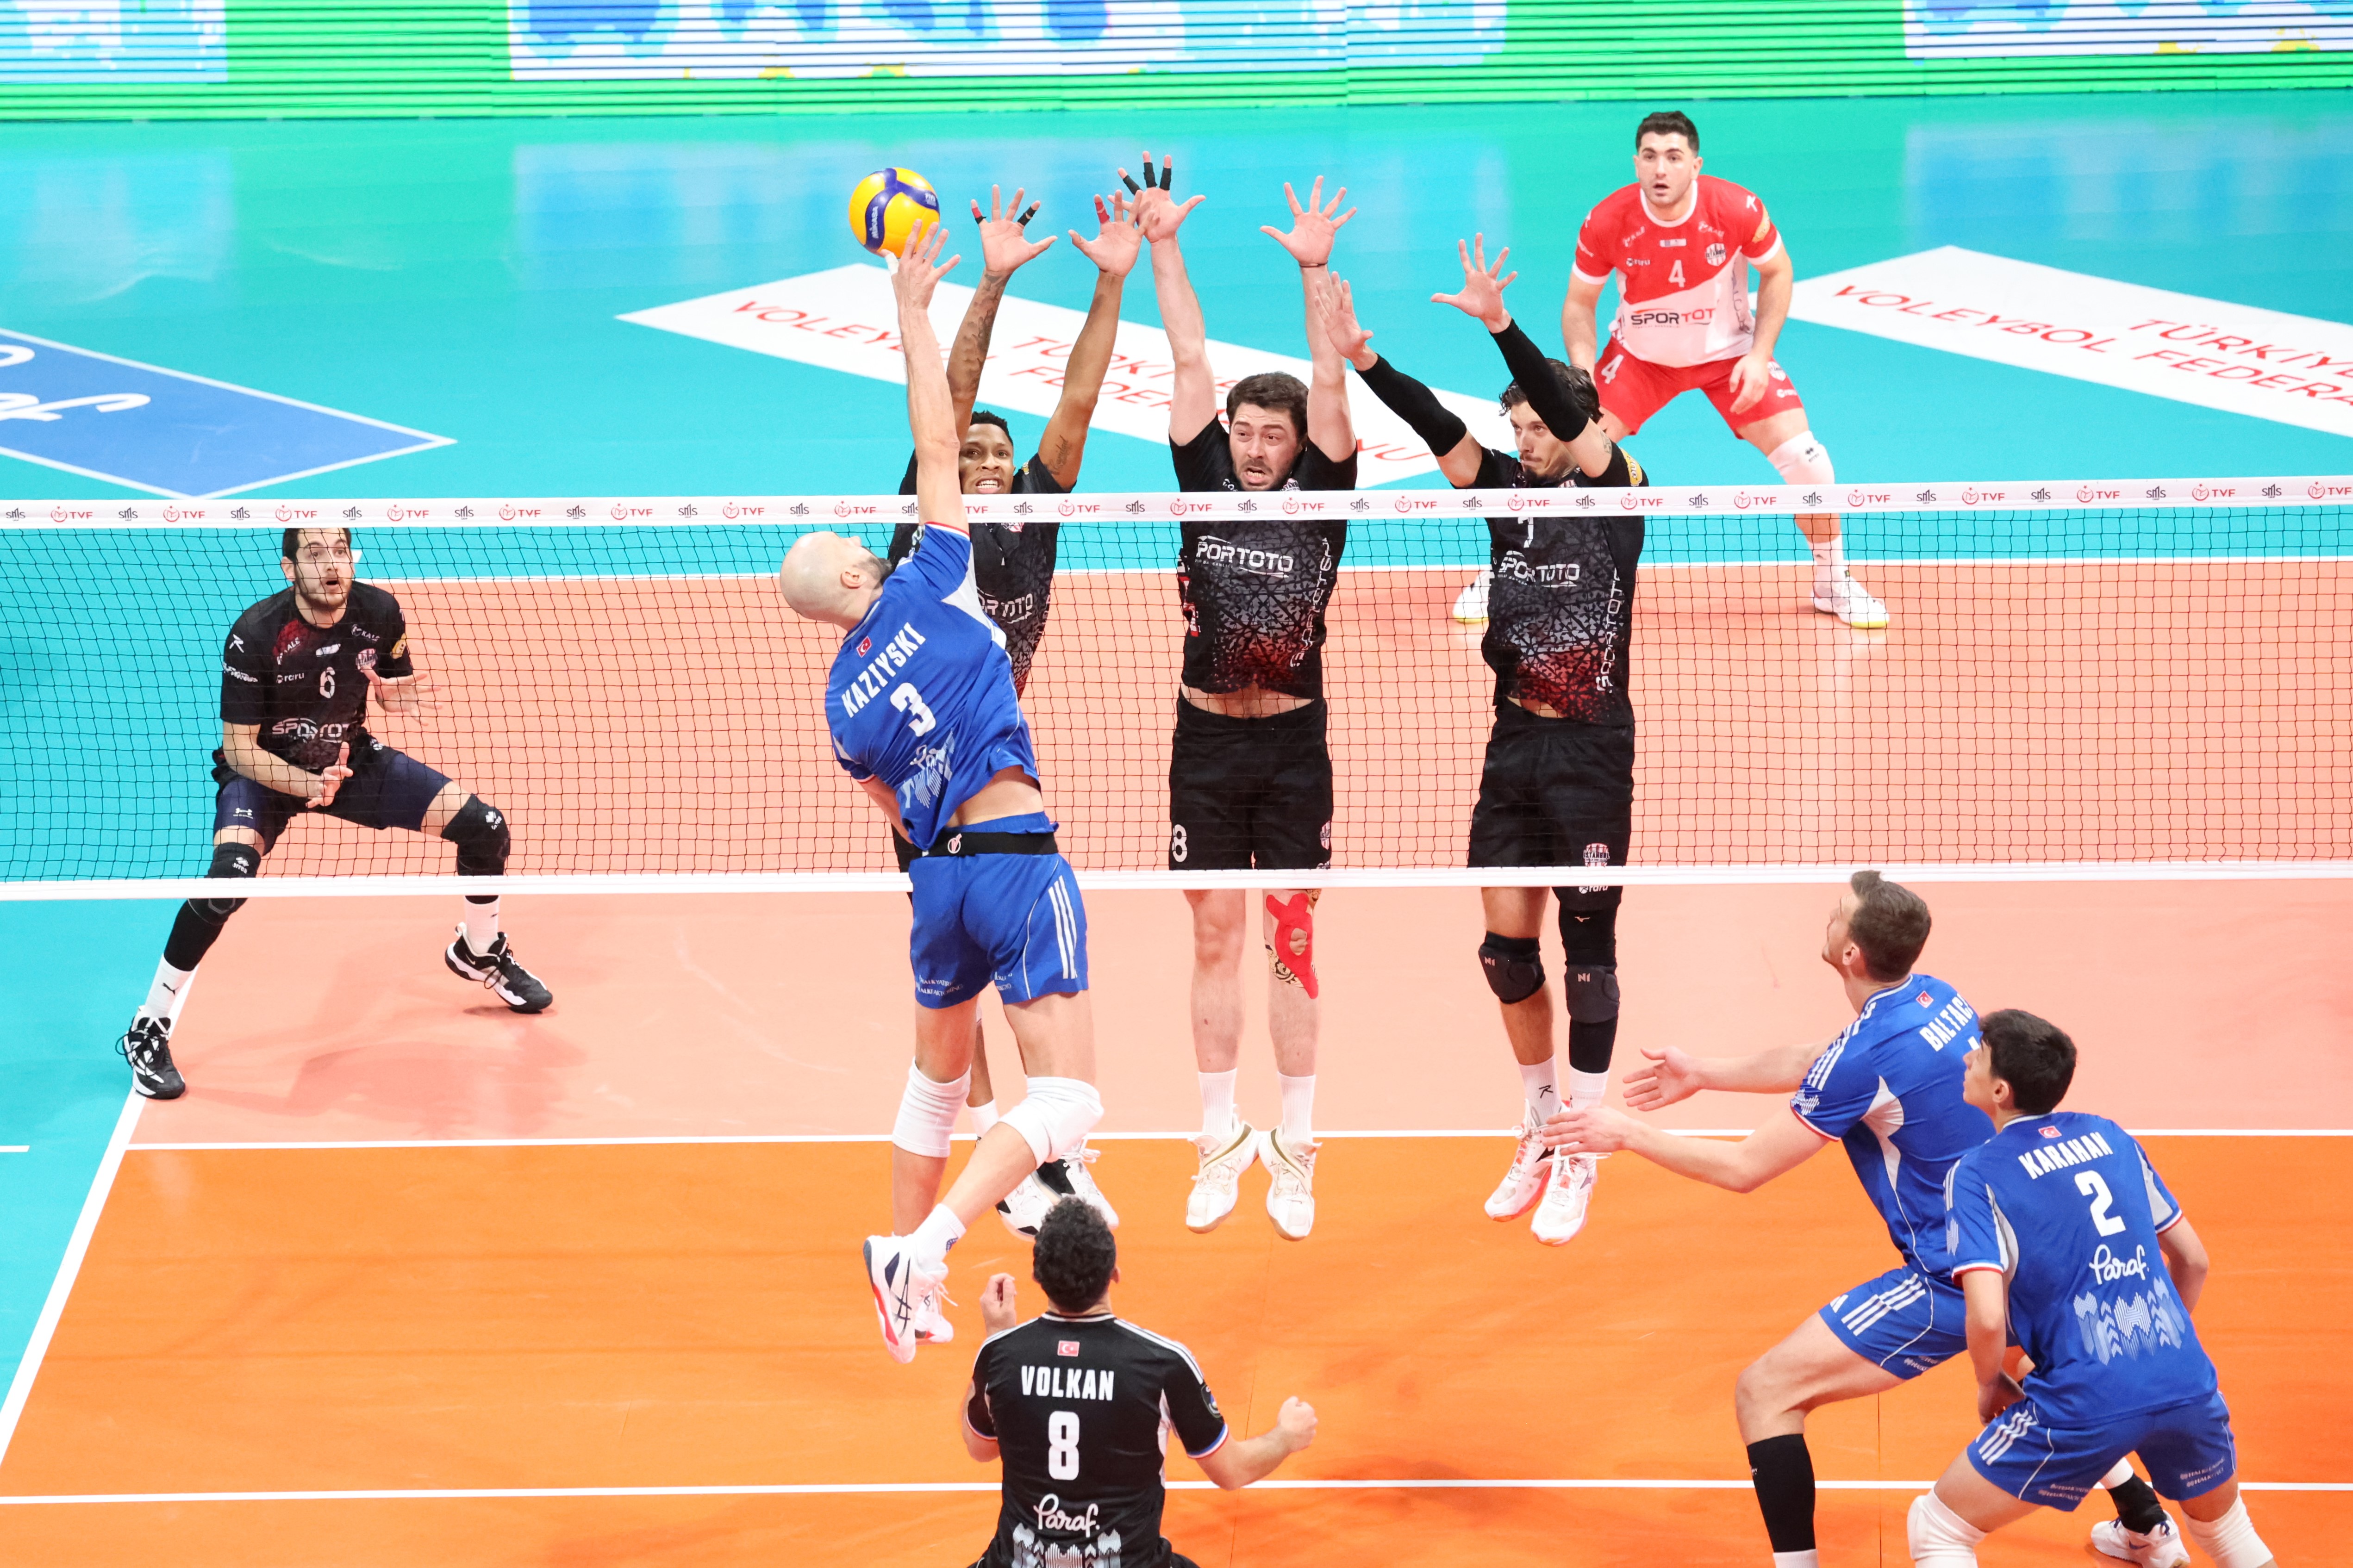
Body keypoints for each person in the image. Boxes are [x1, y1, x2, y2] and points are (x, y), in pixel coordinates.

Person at [1543, 872, 2172, 1567]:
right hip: (2026, 1248)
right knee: (2032, 1364)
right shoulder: (1935, 997)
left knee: (1765, 1392)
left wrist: (1626, 1134)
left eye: (1838, 912)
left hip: (1952, 1270)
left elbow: (1744, 1167)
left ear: (1850, 953)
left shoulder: (1866, 1052)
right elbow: (1820, 1062)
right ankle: (2146, 1521)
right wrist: (1703, 1073)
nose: (1829, 914)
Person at [780, 222, 1105, 1363]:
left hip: (938, 886)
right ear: (858, 570)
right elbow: (935, 431)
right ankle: (926, 1249)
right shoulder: (936, 576)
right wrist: (914, 311)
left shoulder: (840, 706)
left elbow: (897, 817)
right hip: (1015, 858)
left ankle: (901, 1272)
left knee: (935, 1085)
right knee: (1068, 1106)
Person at [1317, 236, 1644, 1245]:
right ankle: (1542, 1122)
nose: (1527, 437)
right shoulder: (1504, 495)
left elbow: (1565, 411)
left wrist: (1503, 327)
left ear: (1579, 429)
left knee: (1587, 959)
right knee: (1506, 953)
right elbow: (1437, 426)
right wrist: (1365, 360)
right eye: (1520, 426)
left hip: (1590, 750)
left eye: (1542, 424)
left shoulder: (1617, 496)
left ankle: (1584, 1145)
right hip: (1514, 748)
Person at [880, 183, 1145, 1238]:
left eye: (1001, 454)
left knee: (1031, 982)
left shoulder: (1035, 515)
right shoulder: (927, 537)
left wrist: (1109, 286)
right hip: (924, 804)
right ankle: (1008, 1145)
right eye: (973, 451)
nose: (987, 463)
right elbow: (949, 397)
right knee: (959, 997)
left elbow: (1076, 401)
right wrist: (987, 282)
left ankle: (1044, 1154)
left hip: (998, 786)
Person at [115, 526, 552, 1100]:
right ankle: (149, 1025)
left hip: (347, 760)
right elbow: (241, 750)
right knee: (226, 883)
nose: (331, 565)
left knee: (484, 828)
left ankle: (479, 949)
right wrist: (307, 784)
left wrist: (397, 697)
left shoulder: (379, 612)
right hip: (264, 776)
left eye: (340, 552)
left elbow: (395, 688)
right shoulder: (255, 634)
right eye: (315, 554)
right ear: (289, 568)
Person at [1130, 150, 1357, 1241]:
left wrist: (1316, 272)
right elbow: (1186, 353)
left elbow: (1330, 381)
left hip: (1295, 744)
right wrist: (1164, 246)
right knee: (1215, 936)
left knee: (1292, 937)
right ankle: (1218, 1137)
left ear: (1300, 445)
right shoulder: (1202, 479)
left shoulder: (1326, 492)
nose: (1257, 448)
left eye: (1274, 435)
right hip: (1207, 742)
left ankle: (1296, 1145)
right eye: (1245, 432)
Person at [1912, 1010, 2264, 1568]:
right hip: (2186, 1379)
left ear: (2000, 1090)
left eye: (1977, 1054)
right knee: (2228, 1533)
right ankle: (2142, 1531)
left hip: (2085, 1399)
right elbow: (2193, 1259)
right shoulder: (2110, 1135)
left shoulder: (1976, 1173)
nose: (1966, 1058)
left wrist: (1988, 1383)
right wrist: (2158, 1349)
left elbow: (1986, 1317)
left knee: (1937, 1529)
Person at [1560, 109, 1888, 630]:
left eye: (1673, 157)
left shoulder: (1736, 207)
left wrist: (1758, 355)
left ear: (1696, 165)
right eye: (1649, 157)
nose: (1660, 169)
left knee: (1808, 463)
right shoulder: (1606, 219)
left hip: (1729, 357)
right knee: (1560, 456)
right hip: (1640, 360)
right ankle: (1512, 572)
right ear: (1635, 163)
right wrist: (1582, 378)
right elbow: (1580, 303)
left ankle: (1832, 581)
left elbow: (1777, 271)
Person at [960, 1198, 1319, 1568]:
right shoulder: (1161, 1363)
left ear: (1038, 1277)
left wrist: (996, 1335)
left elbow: (980, 1448)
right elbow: (1232, 1471)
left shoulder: (1000, 1354)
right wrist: (1286, 1437)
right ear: (1113, 1273)